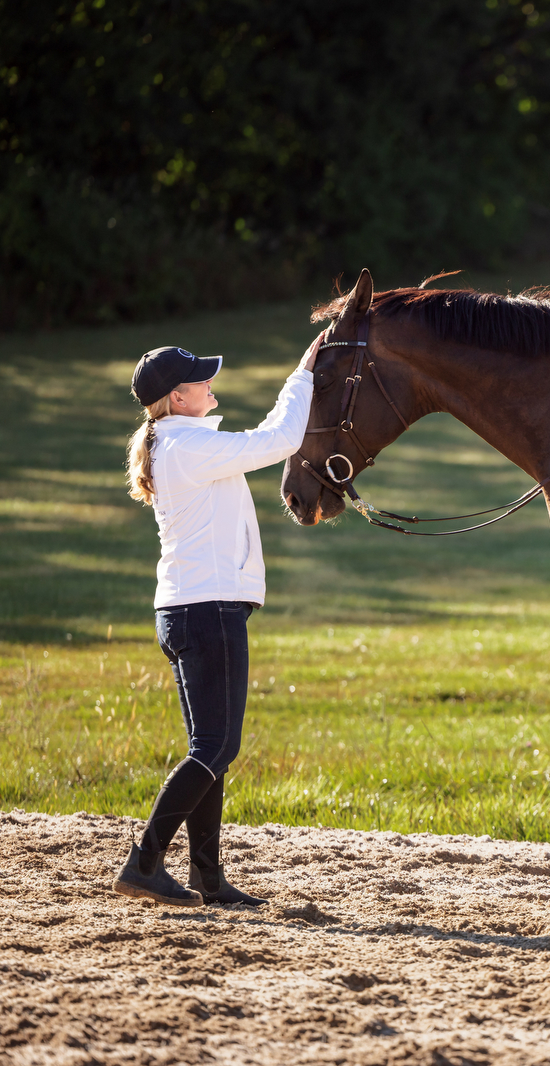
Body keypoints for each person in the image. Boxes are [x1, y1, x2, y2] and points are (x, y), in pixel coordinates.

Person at [113, 332, 323, 906]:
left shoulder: (176, 443)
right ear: (177, 398)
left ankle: (208, 876)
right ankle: (144, 861)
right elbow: (280, 438)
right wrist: (303, 373)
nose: (212, 384)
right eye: (201, 379)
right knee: (215, 747)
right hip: (207, 611)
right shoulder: (186, 447)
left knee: (210, 747)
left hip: (188, 608)